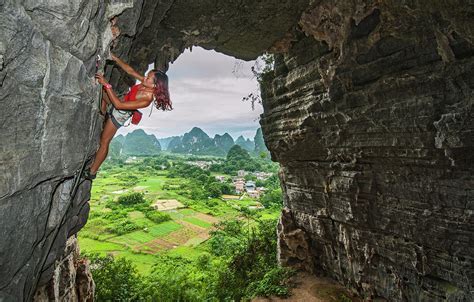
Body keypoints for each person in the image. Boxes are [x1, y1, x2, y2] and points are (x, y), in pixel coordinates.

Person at [83, 53, 172, 180]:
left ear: (155, 86)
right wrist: (114, 58)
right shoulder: (145, 83)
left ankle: (92, 172)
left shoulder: (146, 99)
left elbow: (119, 105)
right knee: (102, 93)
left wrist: (107, 84)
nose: (145, 78)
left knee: (104, 141)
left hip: (119, 114)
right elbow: (130, 70)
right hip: (119, 102)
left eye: (148, 78)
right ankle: (103, 112)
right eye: (147, 75)